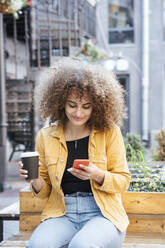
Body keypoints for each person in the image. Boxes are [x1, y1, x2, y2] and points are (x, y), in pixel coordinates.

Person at [19, 58, 131, 248]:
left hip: (102, 214)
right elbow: (44, 190)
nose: (78, 112)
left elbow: (123, 180)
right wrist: (35, 180)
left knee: (81, 245)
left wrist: (97, 175)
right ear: (61, 102)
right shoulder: (46, 136)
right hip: (62, 213)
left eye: (86, 106)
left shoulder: (110, 132)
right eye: (72, 105)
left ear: (97, 105)